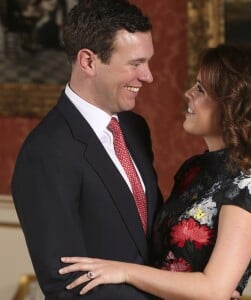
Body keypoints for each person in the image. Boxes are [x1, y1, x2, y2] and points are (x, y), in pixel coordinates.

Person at [58, 44, 251, 300]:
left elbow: (214, 290)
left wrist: (124, 272)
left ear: (233, 106)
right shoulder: (195, 168)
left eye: (201, 89)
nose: (188, 93)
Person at [11, 0, 162, 299]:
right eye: (135, 64)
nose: (148, 76)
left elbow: (151, 240)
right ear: (88, 62)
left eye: (148, 62)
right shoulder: (47, 151)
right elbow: (68, 285)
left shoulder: (135, 129)